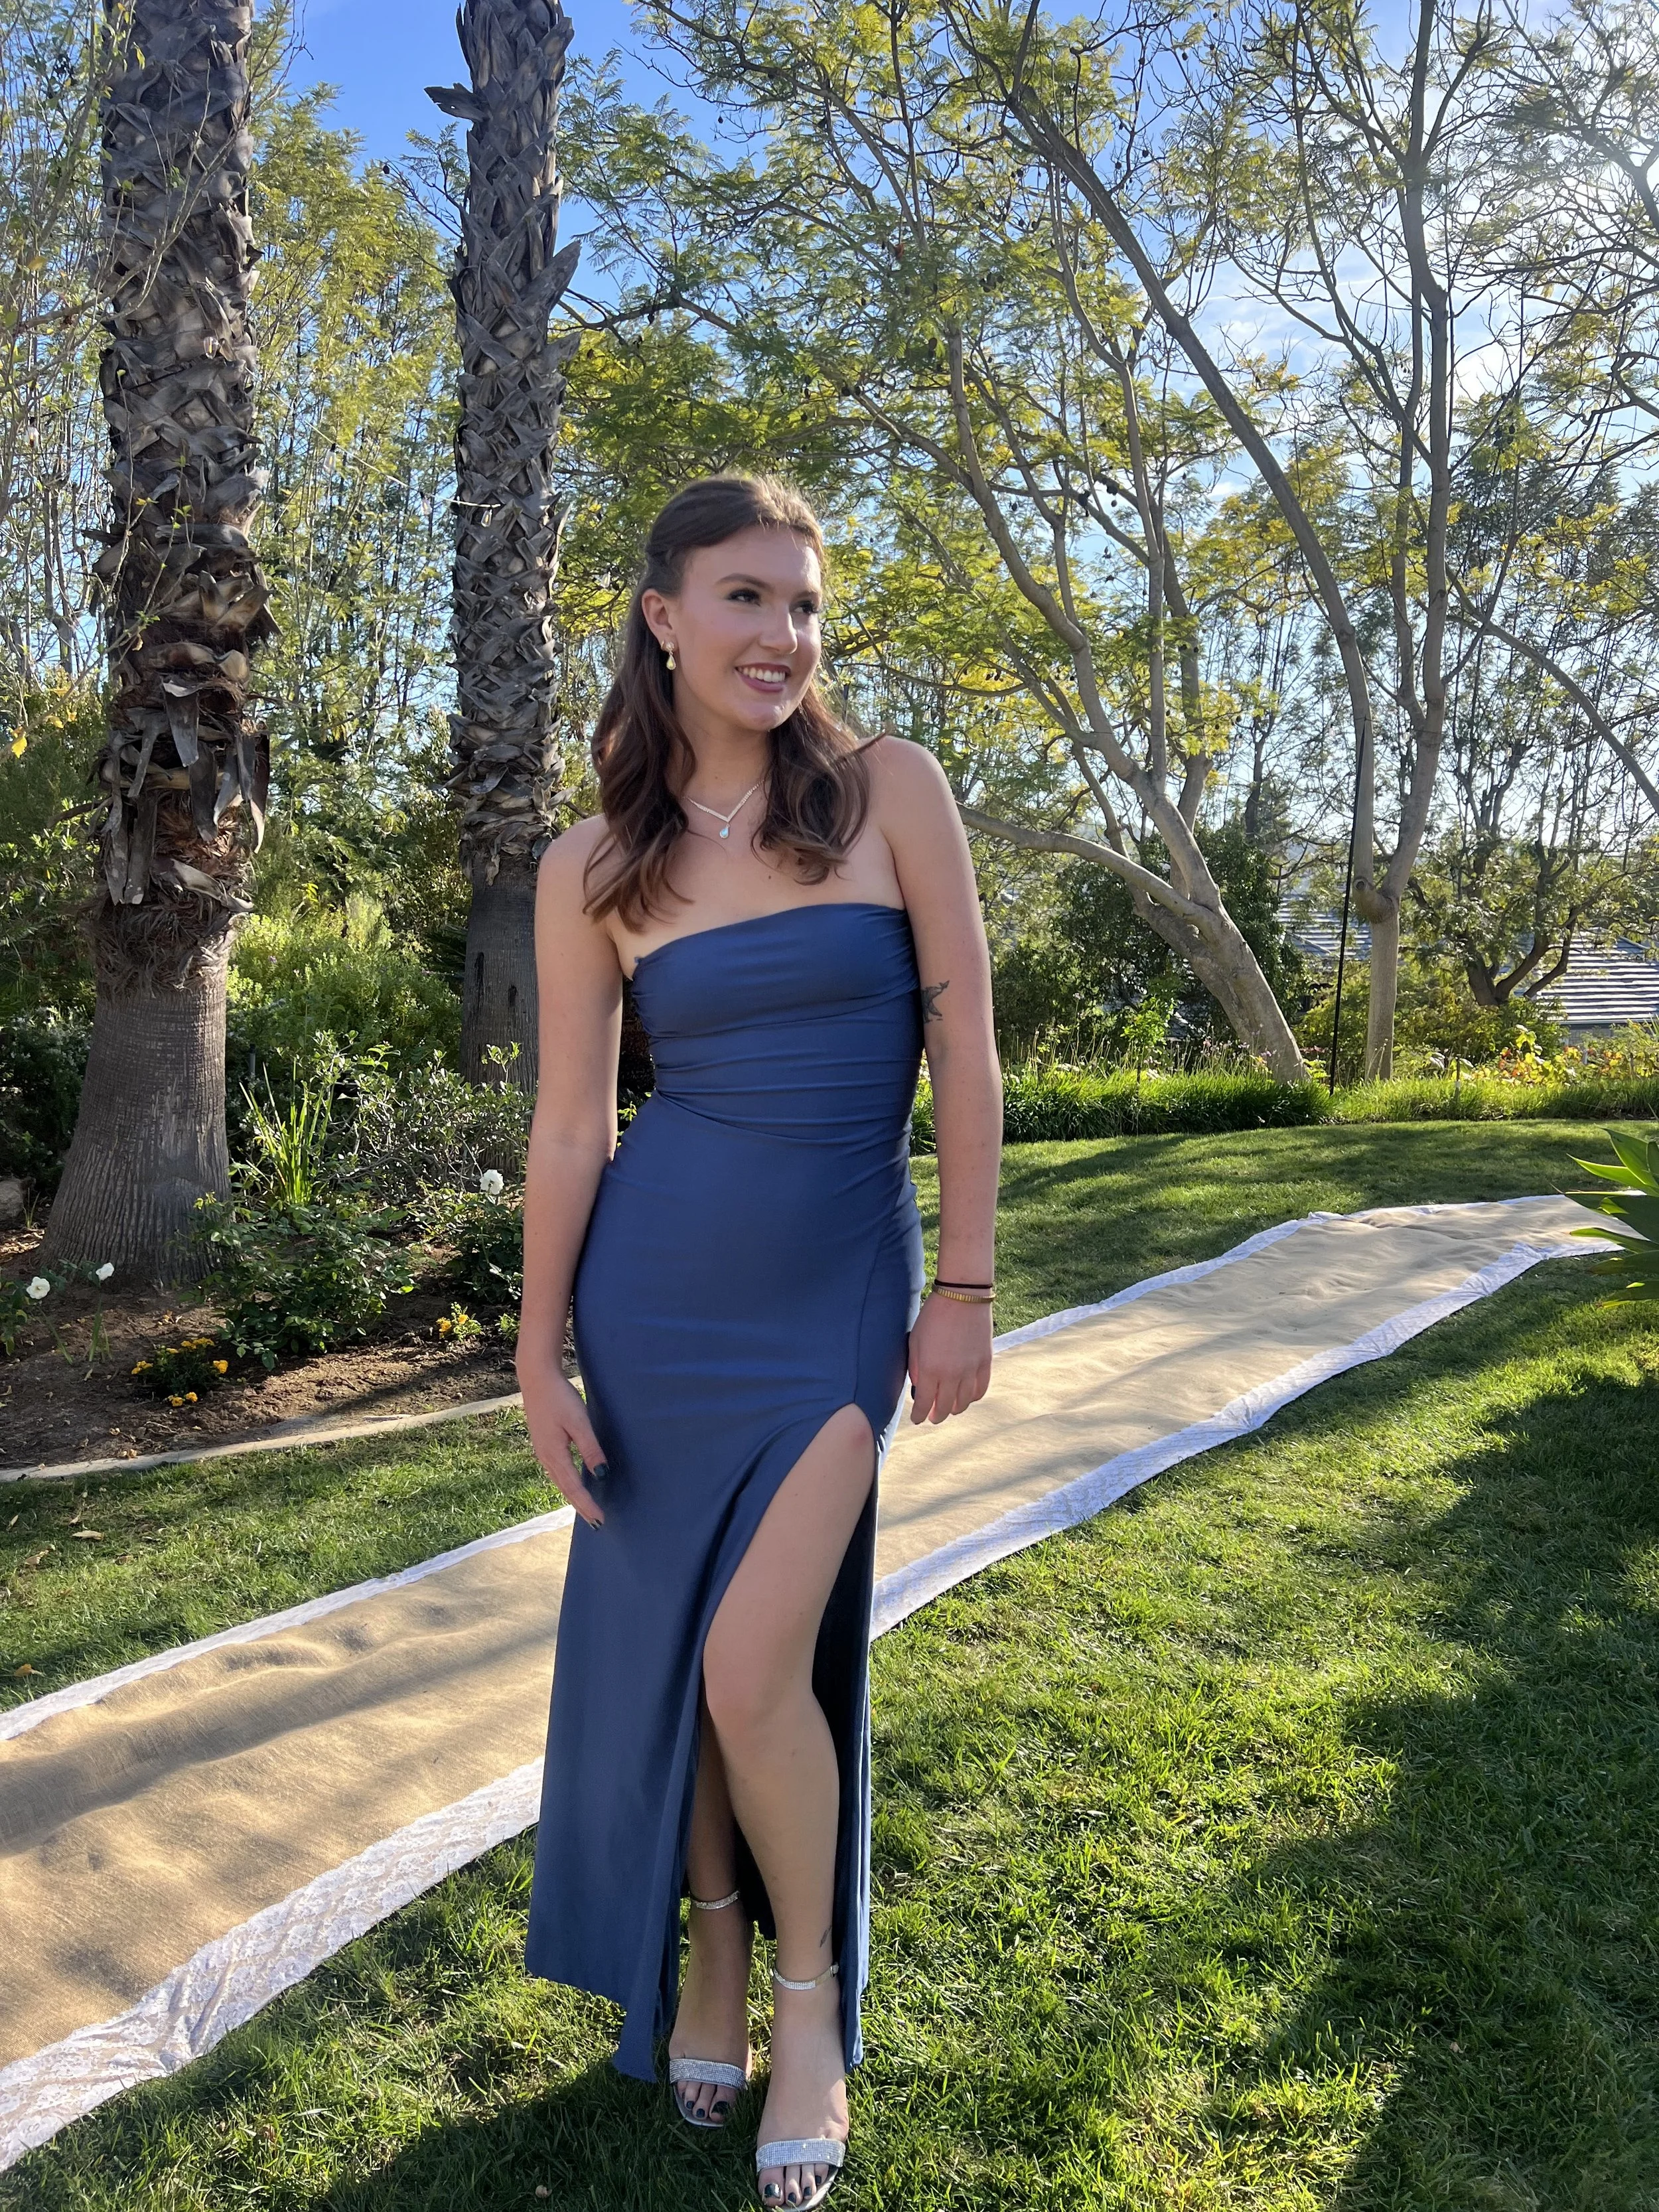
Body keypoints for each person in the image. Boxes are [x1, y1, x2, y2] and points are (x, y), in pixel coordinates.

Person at [517, 475, 1002, 2209]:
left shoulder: (891, 795)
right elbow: (573, 1130)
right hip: (650, 1304)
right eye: (744, 598)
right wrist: (532, 1352)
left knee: (748, 1662)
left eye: (803, 604)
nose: (783, 637)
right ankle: (708, 1948)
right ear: (661, 617)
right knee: (683, 1663)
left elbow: (965, 1047)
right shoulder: (594, 867)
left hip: (833, 1298)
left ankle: (807, 2002)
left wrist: (963, 1287)